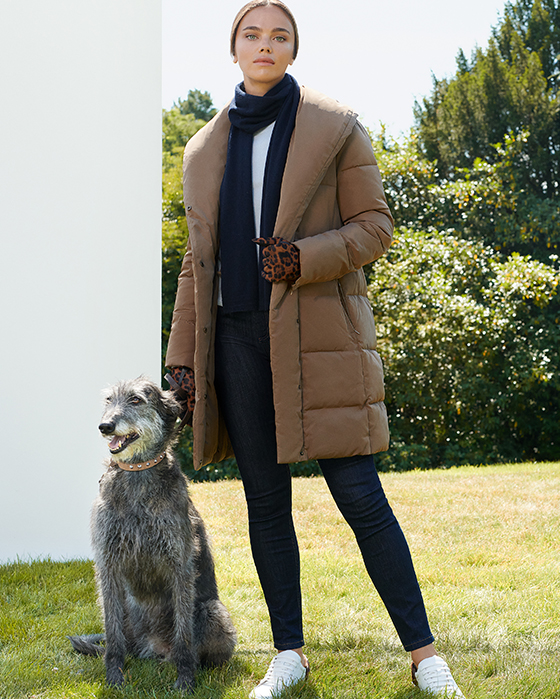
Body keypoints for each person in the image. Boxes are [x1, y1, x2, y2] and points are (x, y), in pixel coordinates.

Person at [165, 2, 464, 697]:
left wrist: (302, 257)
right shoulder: (204, 148)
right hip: (234, 340)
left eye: (279, 36)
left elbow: (375, 227)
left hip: (318, 340)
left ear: (293, 50)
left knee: (361, 497)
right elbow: (195, 264)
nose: (264, 45)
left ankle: (424, 656)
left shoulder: (336, 128)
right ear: (233, 48)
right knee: (265, 503)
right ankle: (289, 654)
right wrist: (182, 359)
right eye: (252, 34)